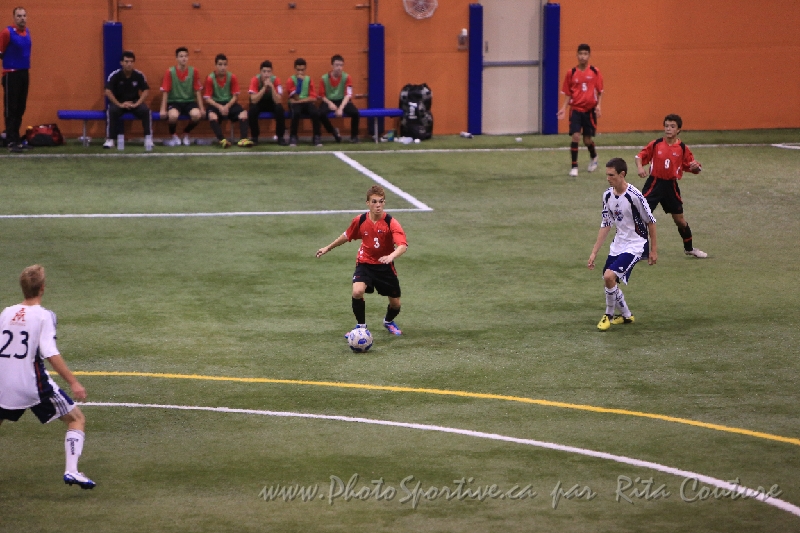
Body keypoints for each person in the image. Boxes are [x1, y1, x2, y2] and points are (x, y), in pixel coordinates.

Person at [0, 265, 95, 489]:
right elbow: (50, 353)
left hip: (2, 382)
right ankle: (72, 471)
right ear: (42, 288)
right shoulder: (45, 316)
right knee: (76, 419)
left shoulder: (6, 313)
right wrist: (73, 382)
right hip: (32, 384)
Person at [316, 185, 408, 337]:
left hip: (385, 266)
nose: (378, 205)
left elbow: (403, 245)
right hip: (365, 263)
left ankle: (388, 321)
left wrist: (391, 256)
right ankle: (361, 327)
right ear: (368, 203)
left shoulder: (391, 222)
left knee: (396, 304)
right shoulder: (360, 220)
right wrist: (328, 247)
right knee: (357, 291)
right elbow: (347, 235)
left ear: (384, 203)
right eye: (374, 201)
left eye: (381, 201)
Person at [588, 158, 657, 331]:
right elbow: (606, 224)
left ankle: (608, 315)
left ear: (622, 174)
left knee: (609, 276)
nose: (608, 178)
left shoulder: (635, 196)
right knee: (609, 280)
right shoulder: (607, 195)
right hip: (618, 243)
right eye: (607, 175)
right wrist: (594, 252)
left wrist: (653, 250)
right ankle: (626, 315)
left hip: (636, 244)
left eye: (611, 175)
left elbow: (651, 221)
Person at [635, 114, 707, 258]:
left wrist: (696, 167)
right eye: (666, 126)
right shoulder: (656, 144)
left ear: (678, 130)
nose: (668, 129)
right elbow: (639, 157)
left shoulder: (682, 148)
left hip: (671, 186)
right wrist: (640, 167)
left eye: (672, 126)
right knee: (641, 216)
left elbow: (693, 167)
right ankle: (641, 251)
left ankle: (689, 248)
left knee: (680, 220)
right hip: (654, 184)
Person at [557, 43, 603, 177]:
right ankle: (574, 166)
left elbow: (600, 91)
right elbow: (568, 93)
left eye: (585, 54)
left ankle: (594, 157)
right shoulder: (571, 73)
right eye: (581, 54)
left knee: (587, 140)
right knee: (576, 136)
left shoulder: (595, 71)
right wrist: (563, 108)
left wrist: (599, 106)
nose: (583, 56)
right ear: (577, 55)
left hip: (589, 111)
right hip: (576, 110)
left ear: (589, 56)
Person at [103, 50, 152, 150]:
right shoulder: (115, 75)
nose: (129, 64)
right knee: (112, 111)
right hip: (119, 103)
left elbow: (146, 90)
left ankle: (148, 138)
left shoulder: (139, 75)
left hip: (134, 102)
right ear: (121, 63)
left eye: (131, 61)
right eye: (126, 61)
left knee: (146, 111)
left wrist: (137, 104)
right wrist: (120, 104)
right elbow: (107, 91)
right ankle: (110, 139)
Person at [203, 53, 252, 148]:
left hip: (229, 103)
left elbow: (235, 96)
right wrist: (220, 107)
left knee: (244, 113)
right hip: (216, 104)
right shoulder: (210, 78)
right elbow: (207, 98)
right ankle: (222, 140)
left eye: (225, 64)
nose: (223, 67)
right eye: (220, 64)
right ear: (215, 66)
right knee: (212, 115)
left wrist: (227, 106)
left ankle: (243, 139)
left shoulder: (232, 77)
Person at [1, 6, 31, 153]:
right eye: (19, 16)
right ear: (14, 18)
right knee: (11, 109)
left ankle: (17, 139)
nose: (22, 18)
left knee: (20, 108)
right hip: (11, 74)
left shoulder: (27, 32)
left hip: (24, 73)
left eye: (24, 15)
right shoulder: (7, 32)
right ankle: (10, 140)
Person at [159, 46, 204, 146]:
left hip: (189, 101)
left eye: (186, 56)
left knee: (197, 115)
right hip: (174, 102)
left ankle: (186, 133)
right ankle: (174, 135)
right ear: (176, 58)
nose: (184, 58)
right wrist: (162, 109)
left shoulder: (194, 71)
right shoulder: (170, 72)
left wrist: (202, 108)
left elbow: (197, 90)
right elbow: (165, 91)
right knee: (173, 116)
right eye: (181, 56)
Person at [318, 54, 360, 143]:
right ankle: (333, 131)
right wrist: (329, 103)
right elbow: (322, 95)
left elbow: (348, 95)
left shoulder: (347, 77)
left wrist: (341, 108)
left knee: (355, 113)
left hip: (342, 100)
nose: (339, 68)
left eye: (341, 65)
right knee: (320, 113)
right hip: (329, 100)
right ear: (332, 66)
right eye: (337, 65)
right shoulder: (324, 78)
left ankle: (354, 136)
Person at [248, 60, 287, 146]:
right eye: (264, 71)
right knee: (252, 110)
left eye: (268, 72)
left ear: (271, 73)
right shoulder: (255, 79)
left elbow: (278, 100)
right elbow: (253, 100)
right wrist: (264, 87)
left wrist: (272, 87)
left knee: (280, 109)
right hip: (259, 102)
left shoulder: (276, 80)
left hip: (271, 102)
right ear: (260, 72)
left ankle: (280, 137)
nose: (266, 74)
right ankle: (254, 137)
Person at [285, 58, 321, 147]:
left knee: (315, 112)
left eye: (302, 70)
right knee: (296, 112)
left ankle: (316, 136)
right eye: (298, 70)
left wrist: (300, 101)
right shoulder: (291, 80)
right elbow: (296, 97)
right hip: (295, 104)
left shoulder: (309, 79)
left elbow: (313, 97)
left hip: (304, 102)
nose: (300, 72)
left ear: (305, 69)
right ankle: (293, 136)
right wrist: (300, 82)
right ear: (295, 69)